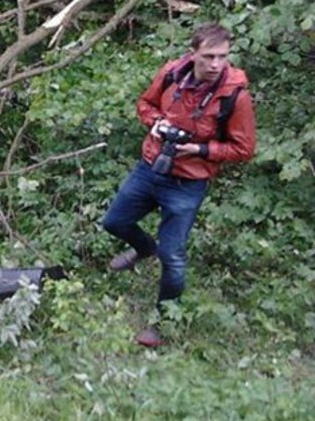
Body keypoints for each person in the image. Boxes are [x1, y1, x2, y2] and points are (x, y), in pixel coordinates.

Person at [103, 23, 256, 347]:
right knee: (114, 222)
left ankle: (160, 324)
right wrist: (155, 123)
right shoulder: (172, 73)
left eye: (223, 57)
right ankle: (144, 249)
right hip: (151, 167)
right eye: (209, 57)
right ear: (193, 53)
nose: (216, 65)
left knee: (172, 257)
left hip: (188, 182)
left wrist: (200, 149)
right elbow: (145, 104)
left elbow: (244, 149)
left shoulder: (235, 95)